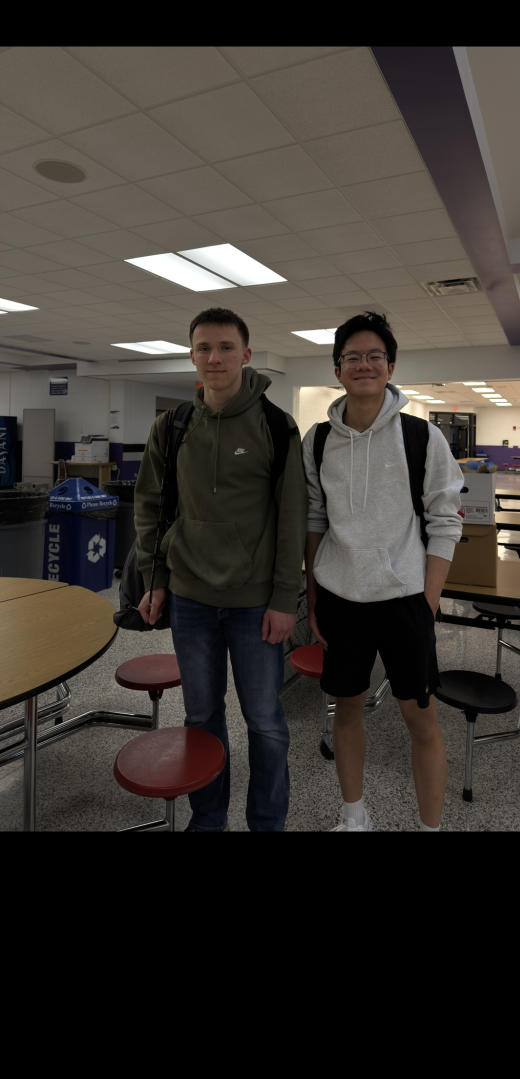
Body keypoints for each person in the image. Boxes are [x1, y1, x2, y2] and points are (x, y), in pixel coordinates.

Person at [135, 307, 307, 832]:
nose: (215, 357)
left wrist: (285, 598)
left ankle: (267, 823)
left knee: (265, 721)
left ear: (246, 355)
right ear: (191, 355)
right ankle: (208, 819)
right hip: (190, 598)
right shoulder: (172, 426)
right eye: (204, 347)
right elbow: (152, 506)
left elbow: (291, 518)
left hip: (255, 604)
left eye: (226, 347)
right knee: (200, 717)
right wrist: (154, 580)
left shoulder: (276, 425)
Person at [303, 311, 463, 832]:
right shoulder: (318, 440)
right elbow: (314, 519)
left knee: (421, 719)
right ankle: (355, 817)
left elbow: (445, 521)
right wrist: (312, 595)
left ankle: (430, 827)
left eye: (375, 356)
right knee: (345, 711)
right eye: (352, 356)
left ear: (390, 367)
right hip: (341, 599)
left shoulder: (422, 437)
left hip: (405, 600)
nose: (364, 364)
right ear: (337, 369)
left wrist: (428, 601)